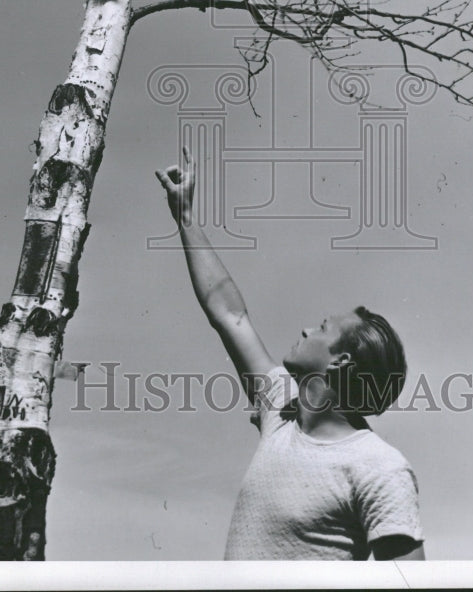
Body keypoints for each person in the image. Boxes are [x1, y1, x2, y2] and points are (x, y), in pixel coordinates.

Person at [155, 146, 425, 562]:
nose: (305, 329)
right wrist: (185, 216)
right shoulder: (281, 411)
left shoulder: (379, 467)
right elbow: (230, 315)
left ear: (341, 362)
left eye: (322, 328)